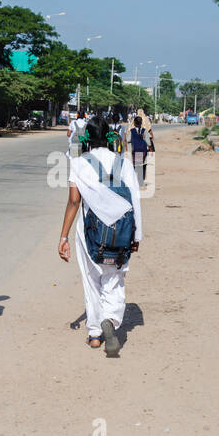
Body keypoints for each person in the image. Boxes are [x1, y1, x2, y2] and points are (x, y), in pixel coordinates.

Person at [57, 115, 143, 356]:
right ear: (108, 137)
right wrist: (137, 236)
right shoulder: (123, 163)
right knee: (114, 280)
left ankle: (95, 334)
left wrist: (63, 237)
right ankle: (111, 321)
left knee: (92, 281)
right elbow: (135, 200)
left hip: (90, 233)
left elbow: (74, 201)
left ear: (86, 138)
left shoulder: (79, 163)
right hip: (123, 233)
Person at [129, 115, 153, 185]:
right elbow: (148, 142)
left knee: (135, 165)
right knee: (143, 165)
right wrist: (151, 149)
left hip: (135, 150)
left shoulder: (132, 131)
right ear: (141, 123)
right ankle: (141, 180)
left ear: (134, 123)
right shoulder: (144, 131)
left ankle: (135, 180)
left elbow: (128, 140)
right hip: (143, 151)